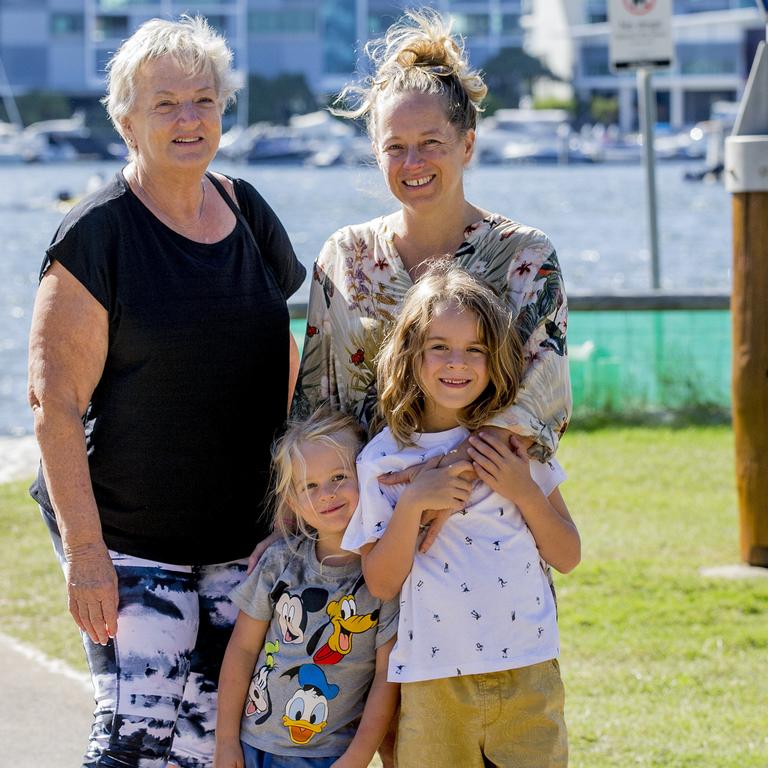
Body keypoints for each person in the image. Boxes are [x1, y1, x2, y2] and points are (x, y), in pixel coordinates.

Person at [26, 16, 305, 767]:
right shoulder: (96, 235)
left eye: (204, 100)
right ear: (125, 121)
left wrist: (292, 503)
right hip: (129, 541)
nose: (190, 119)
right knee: (134, 737)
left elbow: (282, 361)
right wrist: (87, 555)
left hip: (240, 537)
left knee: (215, 736)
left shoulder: (247, 209)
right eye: (166, 104)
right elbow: (54, 406)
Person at [292, 8, 571, 477]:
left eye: (431, 142)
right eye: (395, 146)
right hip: (367, 523)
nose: (413, 162)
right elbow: (316, 407)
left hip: (485, 522)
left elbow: (541, 403)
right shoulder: (344, 256)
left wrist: (436, 478)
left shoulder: (524, 255)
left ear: (467, 145)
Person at [341, 262, 581, 768]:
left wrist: (524, 491)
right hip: (433, 678)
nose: (458, 362)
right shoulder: (384, 461)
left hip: (528, 667)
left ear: (496, 361)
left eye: (476, 349)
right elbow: (381, 582)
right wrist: (413, 503)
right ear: (411, 354)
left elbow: (568, 555)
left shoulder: (518, 446)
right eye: (440, 347)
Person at [215, 409, 399, 768]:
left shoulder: (383, 578)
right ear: (294, 502)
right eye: (309, 486)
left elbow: (385, 675)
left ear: (367, 477)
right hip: (253, 746)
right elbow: (242, 649)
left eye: (339, 477)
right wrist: (225, 741)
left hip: (326, 756)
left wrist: (359, 757)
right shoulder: (279, 562)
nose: (326, 494)